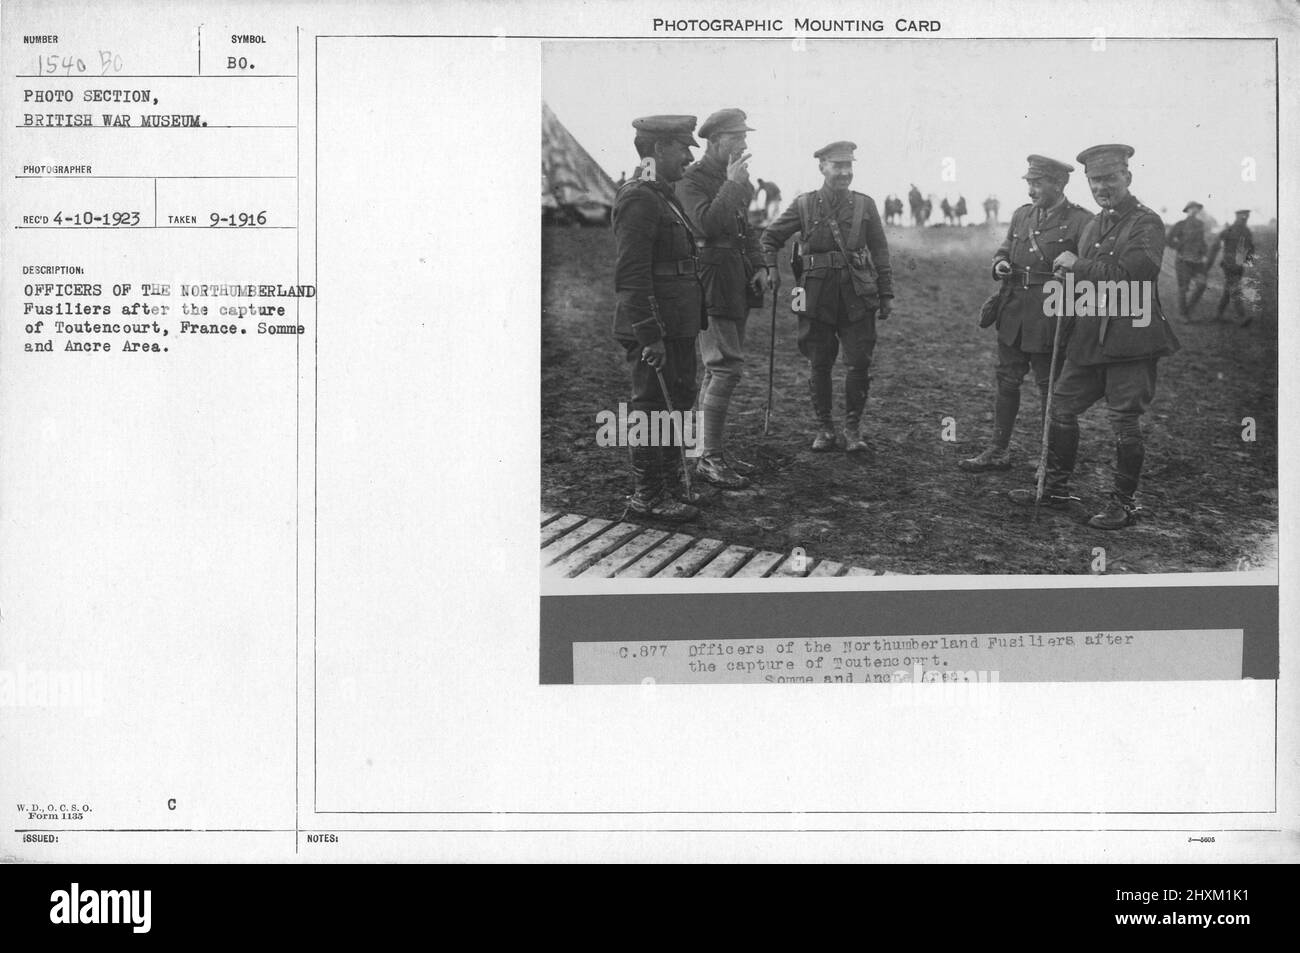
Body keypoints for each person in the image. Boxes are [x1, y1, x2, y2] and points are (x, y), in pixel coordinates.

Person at [1008, 143, 1180, 529]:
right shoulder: (1094, 224)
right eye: (1095, 180)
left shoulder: (1146, 223)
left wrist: (1078, 264)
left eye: (1110, 178)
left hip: (1130, 340)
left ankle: (1124, 504)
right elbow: (1082, 281)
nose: (1102, 187)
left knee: (1124, 421)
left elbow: (1133, 277)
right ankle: (1054, 489)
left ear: (1128, 178)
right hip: (1088, 338)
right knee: (1061, 408)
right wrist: (1065, 289)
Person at [759, 141, 894, 453]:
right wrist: (771, 269)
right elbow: (770, 237)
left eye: (849, 166)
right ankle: (824, 428)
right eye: (838, 166)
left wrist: (886, 292)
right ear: (822, 167)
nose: (845, 172)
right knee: (819, 362)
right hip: (813, 296)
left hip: (858, 293)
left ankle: (852, 428)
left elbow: (880, 250)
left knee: (859, 362)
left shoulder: (865, 204)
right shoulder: (804, 205)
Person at [960, 155, 1092, 473]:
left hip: (1050, 313)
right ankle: (998, 450)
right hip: (1014, 308)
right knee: (1007, 380)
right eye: (1029, 183)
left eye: (1037, 183)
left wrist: (1073, 274)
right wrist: (999, 263)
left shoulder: (1082, 221)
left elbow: (1089, 269)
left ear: (1059, 184)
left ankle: (1049, 458)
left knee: (1049, 387)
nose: (1031, 190)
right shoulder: (1022, 215)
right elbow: (1005, 248)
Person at [611, 115, 706, 521]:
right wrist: (650, 335)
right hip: (656, 327)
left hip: (678, 323)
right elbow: (632, 274)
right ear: (656, 151)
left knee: (677, 404)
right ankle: (646, 497)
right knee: (652, 407)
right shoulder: (639, 198)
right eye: (682, 148)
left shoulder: (662, 195)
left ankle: (670, 488)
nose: (688, 156)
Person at [676, 107, 769, 490]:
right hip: (709, 280)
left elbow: (744, 230)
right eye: (737, 138)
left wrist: (760, 264)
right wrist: (732, 184)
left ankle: (706, 452)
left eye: (745, 138)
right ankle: (710, 459)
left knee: (718, 368)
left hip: (735, 279)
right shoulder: (692, 179)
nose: (744, 145)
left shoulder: (733, 179)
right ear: (714, 142)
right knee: (726, 367)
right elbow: (706, 225)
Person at [1206, 209, 1257, 326]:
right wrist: (1209, 263)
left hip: (1239, 266)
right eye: (1243, 217)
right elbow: (1215, 245)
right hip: (1229, 265)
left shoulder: (1246, 231)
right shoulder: (1229, 230)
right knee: (1235, 289)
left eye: (1247, 217)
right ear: (1237, 217)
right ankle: (1241, 317)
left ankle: (1218, 314)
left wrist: (1248, 262)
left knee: (1228, 290)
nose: (1245, 219)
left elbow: (1250, 248)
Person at [1166, 201, 1209, 317]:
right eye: (1192, 208)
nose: (1194, 210)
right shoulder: (1180, 224)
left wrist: (1205, 253)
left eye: (1197, 208)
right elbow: (1168, 240)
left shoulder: (1200, 224)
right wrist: (1179, 247)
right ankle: (1183, 315)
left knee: (1202, 285)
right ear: (1187, 210)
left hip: (1198, 261)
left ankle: (1188, 310)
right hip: (1183, 261)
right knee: (1183, 288)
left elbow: (1202, 242)